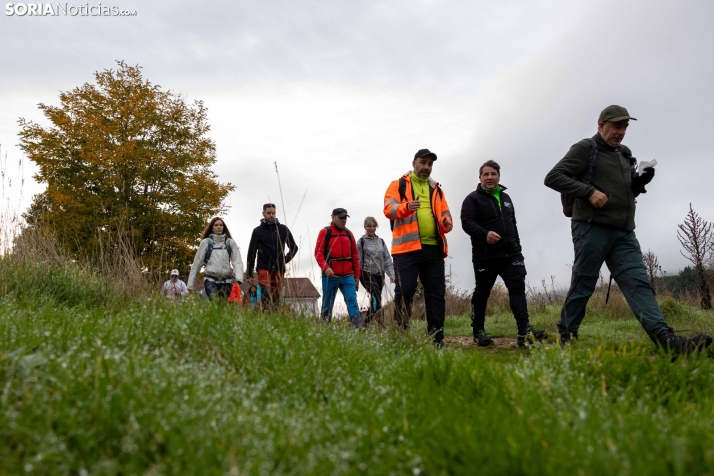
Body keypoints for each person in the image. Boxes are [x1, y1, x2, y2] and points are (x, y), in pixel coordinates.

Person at [544, 105, 712, 354]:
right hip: (591, 229)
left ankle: (664, 339)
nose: (621, 132)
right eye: (616, 126)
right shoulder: (585, 149)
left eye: (624, 127)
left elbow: (626, 192)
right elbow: (553, 177)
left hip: (624, 233)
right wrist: (588, 192)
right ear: (601, 125)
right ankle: (567, 333)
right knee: (584, 282)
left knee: (639, 283)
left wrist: (640, 182)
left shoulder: (625, 154)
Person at [461, 161, 547, 347]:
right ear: (480, 177)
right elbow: (467, 223)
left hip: (511, 255)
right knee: (482, 293)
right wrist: (485, 234)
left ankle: (524, 332)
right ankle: (478, 331)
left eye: (493, 174)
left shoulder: (506, 197)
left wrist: (518, 247)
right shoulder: (472, 199)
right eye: (486, 174)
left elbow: (513, 224)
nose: (490, 177)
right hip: (485, 256)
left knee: (517, 289)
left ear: (499, 176)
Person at [383, 149, 453, 347]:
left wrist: (447, 222)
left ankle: (436, 339)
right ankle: (402, 337)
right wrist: (406, 207)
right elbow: (389, 209)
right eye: (423, 162)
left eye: (430, 164)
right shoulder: (398, 184)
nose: (426, 167)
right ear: (414, 163)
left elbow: (445, 212)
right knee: (405, 291)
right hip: (406, 249)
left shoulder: (437, 188)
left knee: (436, 294)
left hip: (433, 248)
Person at [314, 208, 364, 327]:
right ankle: (325, 328)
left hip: (348, 276)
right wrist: (326, 268)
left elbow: (355, 256)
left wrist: (357, 276)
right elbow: (318, 253)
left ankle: (359, 327)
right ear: (333, 217)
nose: (344, 220)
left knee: (352, 301)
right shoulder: (325, 232)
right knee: (327, 305)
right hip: (330, 277)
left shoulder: (349, 234)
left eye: (345, 218)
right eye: (341, 217)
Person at [246, 203, 298, 310]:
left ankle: (275, 316)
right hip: (263, 266)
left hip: (279, 268)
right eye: (269, 213)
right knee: (265, 292)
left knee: (276, 294)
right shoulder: (257, 231)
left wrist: (285, 260)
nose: (271, 215)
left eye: (273, 213)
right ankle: (266, 315)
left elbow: (294, 247)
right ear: (263, 214)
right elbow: (251, 252)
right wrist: (249, 274)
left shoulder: (283, 229)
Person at [187, 217, 244, 300]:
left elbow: (237, 261)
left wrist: (239, 278)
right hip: (210, 279)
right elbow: (197, 264)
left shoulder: (230, 243)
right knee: (214, 302)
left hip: (227, 281)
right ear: (212, 227)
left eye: (221, 225)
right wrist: (190, 285)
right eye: (216, 225)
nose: (219, 227)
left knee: (223, 305)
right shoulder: (205, 243)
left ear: (223, 227)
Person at [357, 216, 395, 324]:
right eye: (369, 226)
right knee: (377, 296)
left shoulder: (381, 242)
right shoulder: (361, 242)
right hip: (366, 273)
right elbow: (358, 260)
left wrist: (391, 274)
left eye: (374, 226)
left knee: (375, 299)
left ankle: (366, 324)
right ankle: (380, 324)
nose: (372, 228)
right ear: (365, 227)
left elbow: (387, 258)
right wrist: (356, 277)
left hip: (380, 274)